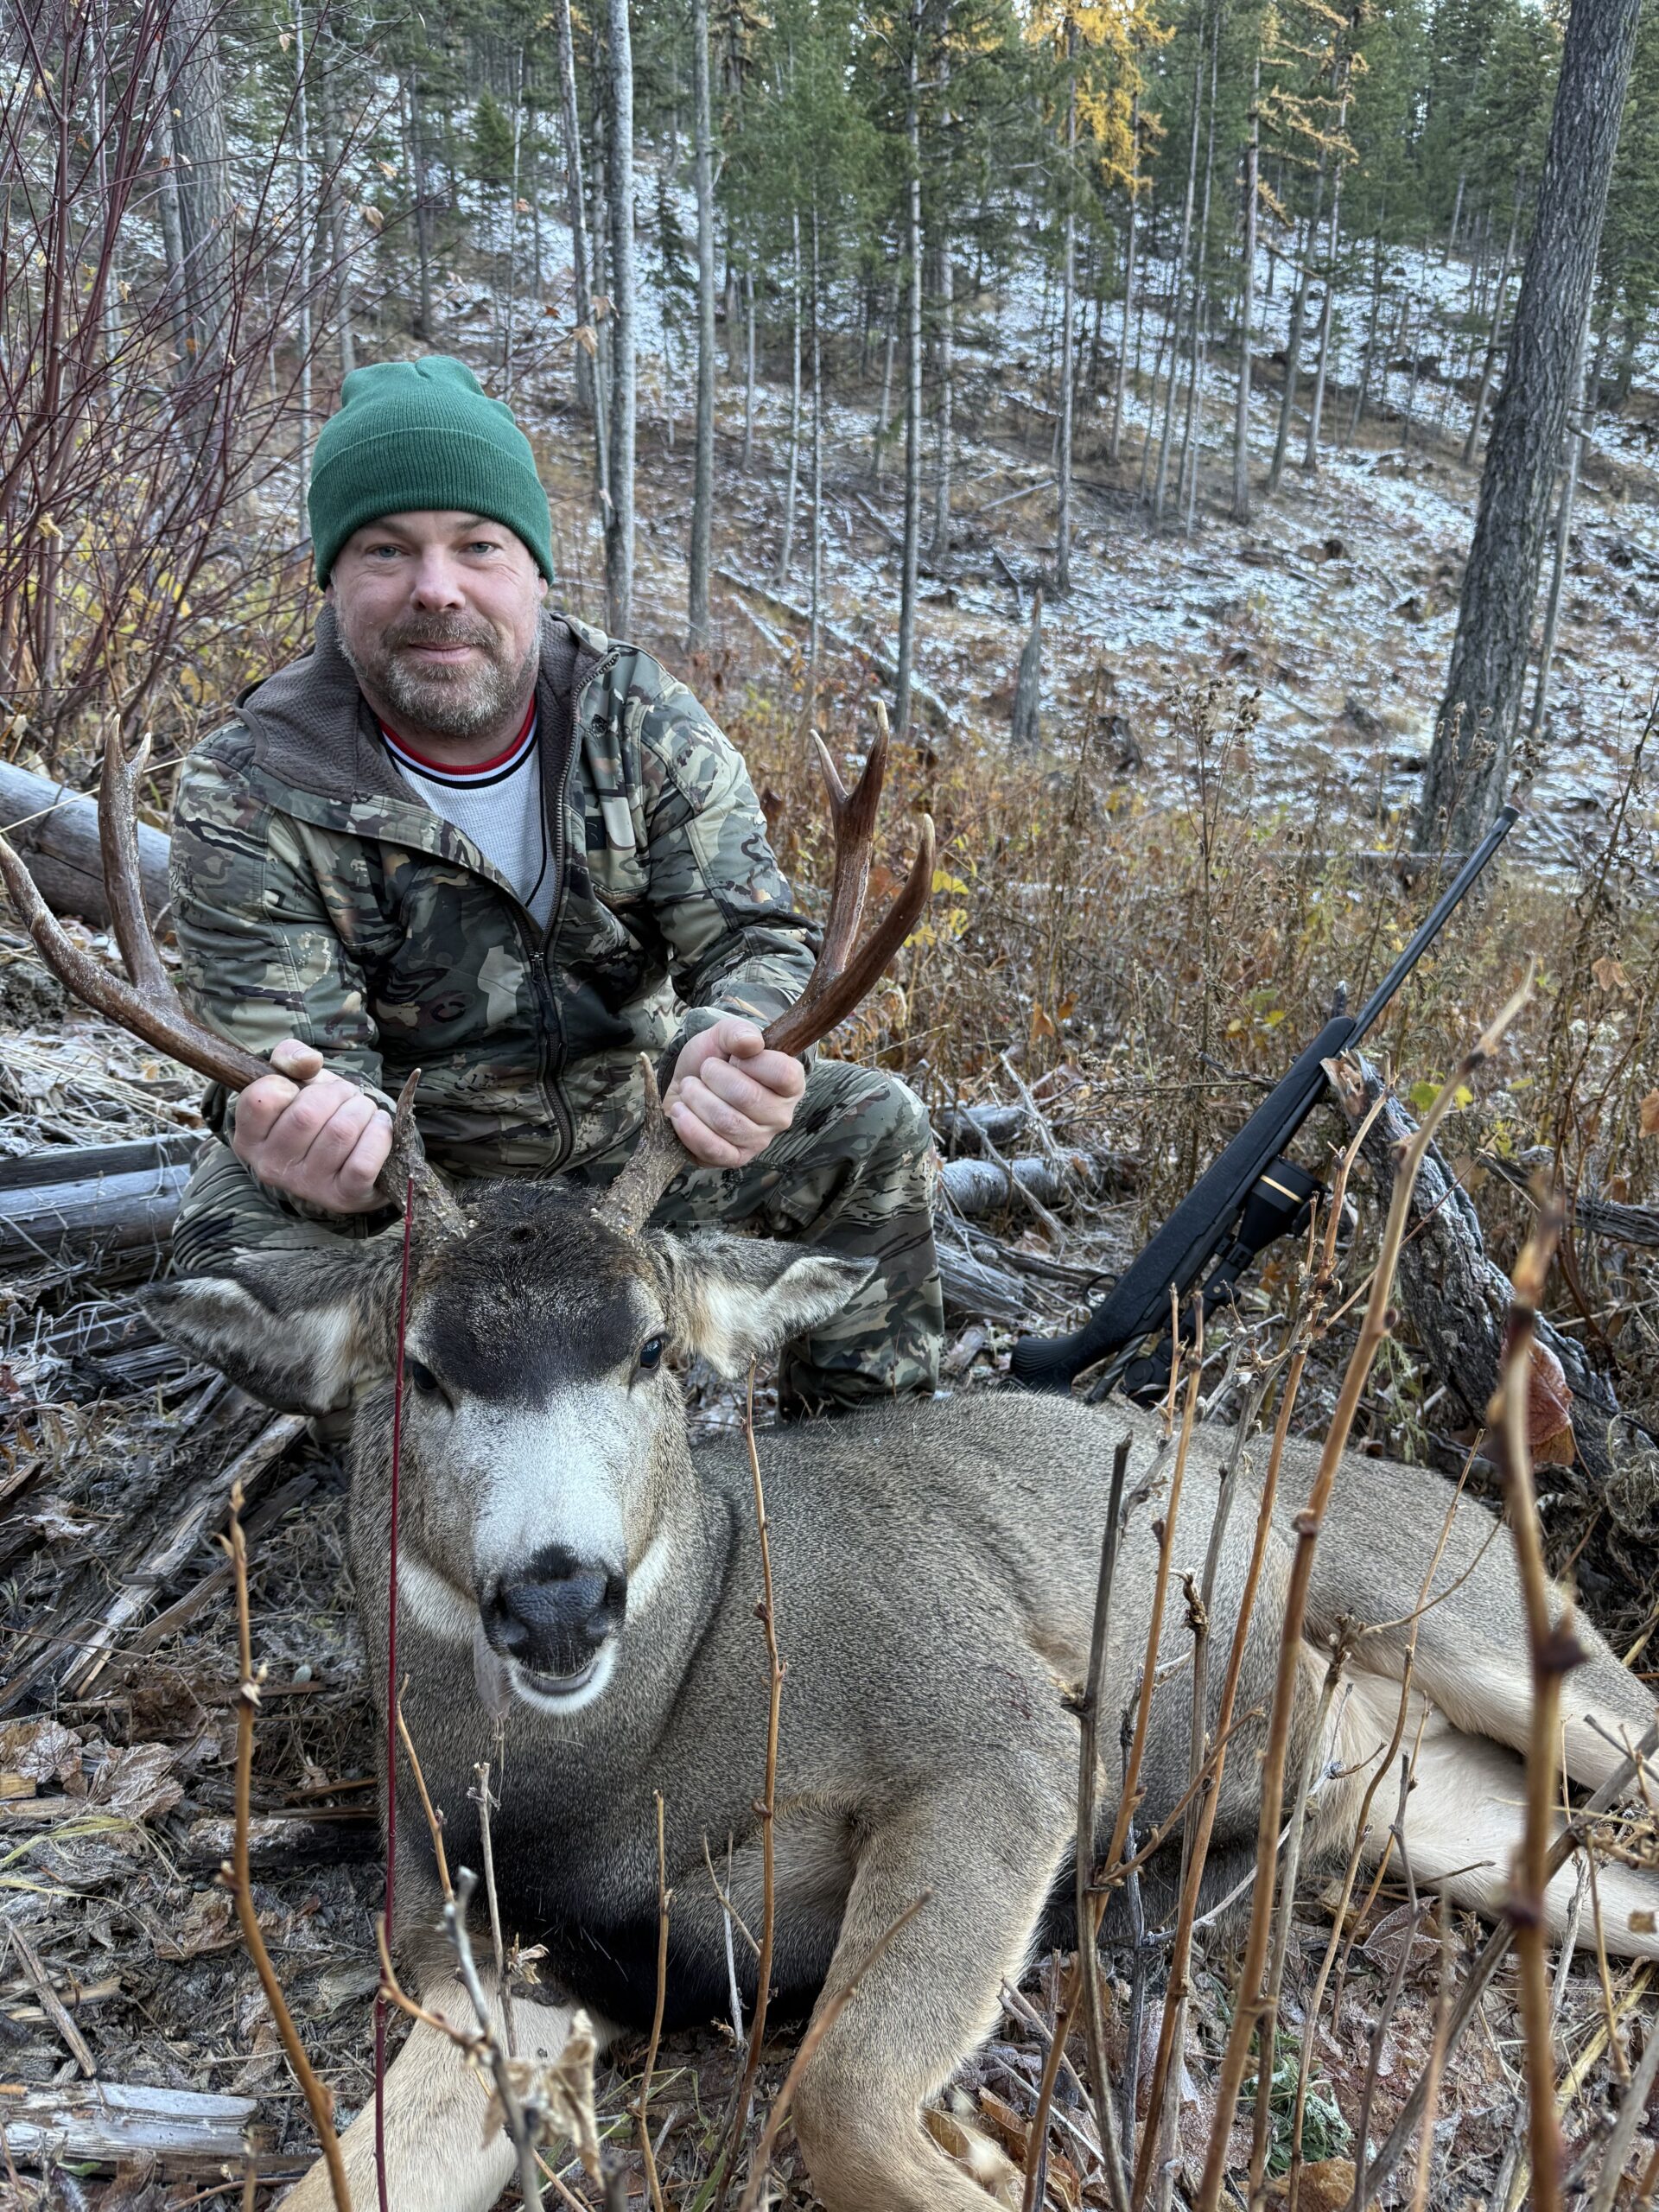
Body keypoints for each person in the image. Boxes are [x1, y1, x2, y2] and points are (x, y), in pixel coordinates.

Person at [168, 356, 942, 1415]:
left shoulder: (641, 722)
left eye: (477, 546)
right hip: (409, 1203)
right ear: (333, 582)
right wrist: (306, 1129)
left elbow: (759, 938)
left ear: (534, 571)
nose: (436, 587)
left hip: (638, 1166)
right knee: (229, 1252)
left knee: (873, 1126)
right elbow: (289, 1060)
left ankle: (868, 1471)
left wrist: (733, 1038)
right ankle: (416, 1457)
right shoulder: (250, 783)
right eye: (385, 549)